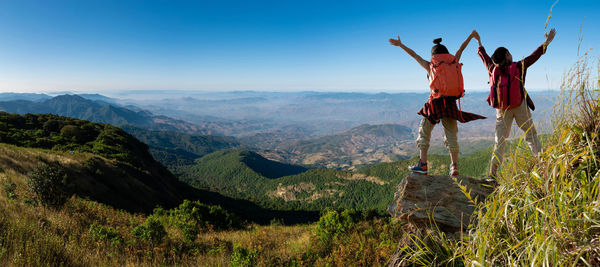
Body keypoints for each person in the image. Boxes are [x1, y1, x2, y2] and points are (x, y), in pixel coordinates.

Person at [389, 31, 485, 176]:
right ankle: (454, 166)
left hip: (434, 104)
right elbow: (460, 49)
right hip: (451, 103)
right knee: (451, 134)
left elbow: (414, 55)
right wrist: (471, 37)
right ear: (446, 53)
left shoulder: (430, 65)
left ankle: (422, 165)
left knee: (424, 131)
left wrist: (401, 45)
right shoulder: (453, 61)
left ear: (433, 56)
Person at [472, 29, 556, 182]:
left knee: (500, 140)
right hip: (520, 107)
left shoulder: (492, 69)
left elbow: (483, 57)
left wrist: (478, 42)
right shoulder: (518, 66)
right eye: (509, 53)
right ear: (507, 56)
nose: (511, 55)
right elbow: (535, 55)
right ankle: (544, 165)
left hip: (502, 111)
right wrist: (548, 41)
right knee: (531, 135)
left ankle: (492, 174)